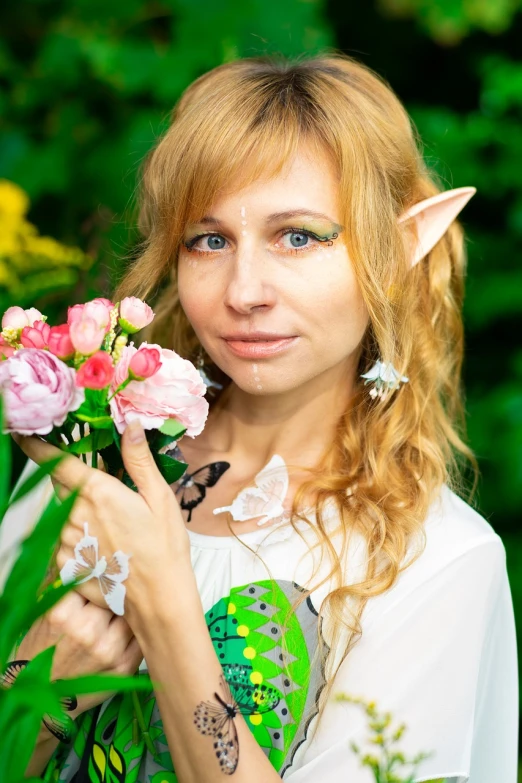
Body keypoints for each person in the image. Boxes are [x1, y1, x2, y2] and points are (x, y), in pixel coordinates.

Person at [1, 52, 518, 783]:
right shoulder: (84, 470)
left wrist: (164, 601)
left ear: (397, 250)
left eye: (298, 236)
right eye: (209, 239)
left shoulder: (435, 561)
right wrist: (34, 692)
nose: (244, 290)